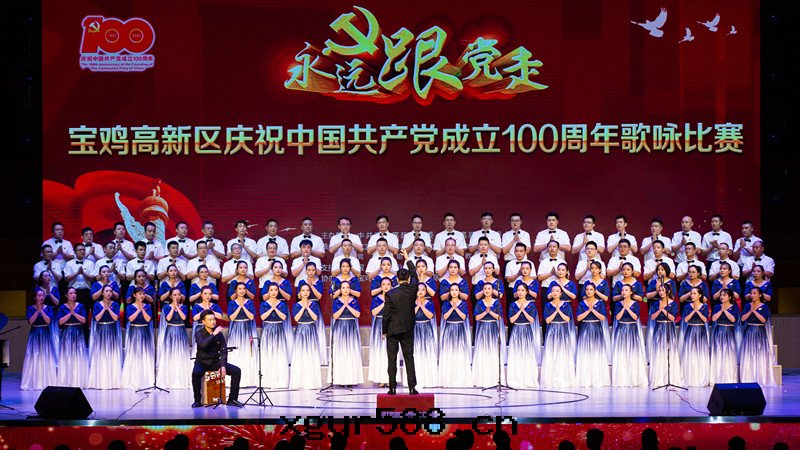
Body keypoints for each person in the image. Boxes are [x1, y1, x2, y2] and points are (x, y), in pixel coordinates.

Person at [191, 309, 243, 408]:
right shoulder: (199, 333)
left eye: (214, 319)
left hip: (215, 362)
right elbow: (203, 345)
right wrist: (213, 334)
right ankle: (197, 400)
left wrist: (223, 366)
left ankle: (232, 399)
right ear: (203, 321)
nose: (213, 322)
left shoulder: (219, 334)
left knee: (236, 371)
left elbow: (223, 351)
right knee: (196, 374)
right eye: (210, 320)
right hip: (202, 362)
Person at [383, 266, 419, 395]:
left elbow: (386, 314)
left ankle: (392, 388)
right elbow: (415, 275)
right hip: (408, 329)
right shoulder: (413, 289)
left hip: (392, 330)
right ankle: (412, 388)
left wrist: (384, 330)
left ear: (397, 280)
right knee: (409, 358)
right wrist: (408, 260)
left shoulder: (390, 293)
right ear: (408, 279)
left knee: (392, 359)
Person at [21, 288, 58, 390]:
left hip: (45, 332)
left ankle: (47, 381)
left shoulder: (48, 308)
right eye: (39, 296)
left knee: (46, 355)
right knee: (34, 355)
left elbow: (48, 321)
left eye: (43, 295)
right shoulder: (30, 308)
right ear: (35, 297)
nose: (41, 297)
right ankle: (34, 381)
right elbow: (31, 322)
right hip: (35, 332)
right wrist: (37, 311)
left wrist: (41, 311)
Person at [647, 284, 683, 387]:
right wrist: (659, 310)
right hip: (658, 327)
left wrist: (663, 310)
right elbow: (652, 317)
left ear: (668, 291)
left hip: (668, 327)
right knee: (658, 351)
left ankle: (670, 377)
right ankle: (659, 378)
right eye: (659, 290)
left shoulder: (674, 304)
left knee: (669, 350)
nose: (661, 292)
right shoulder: (655, 304)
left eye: (663, 290)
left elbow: (672, 318)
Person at [611, 284, 647, 387]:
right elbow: (617, 317)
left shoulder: (635, 304)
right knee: (621, 353)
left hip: (632, 329)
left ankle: (633, 378)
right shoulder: (618, 304)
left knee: (632, 353)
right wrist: (623, 308)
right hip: (621, 328)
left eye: (626, 290)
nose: (623, 292)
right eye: (622, 290)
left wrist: (628, 308)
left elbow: (635, 317)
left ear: (631, 292)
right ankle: (621, 379)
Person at [540, 285, 576, 388]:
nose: (554, 293)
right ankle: (550, 379)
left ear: (560, 293)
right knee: (551, 354)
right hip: (552, 330)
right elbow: (547, 320)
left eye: (557, 291)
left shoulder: (566, 305)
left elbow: (567, 319)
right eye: (553, 291)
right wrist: (555, 311)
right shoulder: (548, 305)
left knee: (562, 354)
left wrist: (559, 311)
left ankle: (563, 378)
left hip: (563, 331)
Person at [87, 285, 123, 389]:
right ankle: (100, 381)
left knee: (112, 353)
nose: (109, 293)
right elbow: (97, 318)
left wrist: (108, 309)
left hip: (111, 329)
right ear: (102, 293)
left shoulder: (115, 304)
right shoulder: (97, 304)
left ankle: (113, 381)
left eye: (110, 291)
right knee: (100, 353)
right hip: (101, 329)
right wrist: (104, 308)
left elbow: (115, 318)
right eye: (106, 291)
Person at [328, 281, 364, 386]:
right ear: (340, 290)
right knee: (340, 353)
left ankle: (351, 379)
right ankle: (340, 380)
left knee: (351, 353)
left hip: (351, 327)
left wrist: (348, 305)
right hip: (340, 327)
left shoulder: (354, 301)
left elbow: (357, 314)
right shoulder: (336, 302)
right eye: (343, 288)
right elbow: (335, 316)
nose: (345, 289)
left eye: (347, 287)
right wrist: (344, 306)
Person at [739, 287, 776, 386]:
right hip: (749, 331)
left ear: (760, 295)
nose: (752, 295)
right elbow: (742, 319)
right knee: (748, 354)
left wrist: (754, 311)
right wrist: (750, 311)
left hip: (760, 332)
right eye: (751, 293)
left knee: (760, 354)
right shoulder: (747, 305)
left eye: (754, 293)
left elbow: (763, 320)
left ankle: (761, 377)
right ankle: (748, 377)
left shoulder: (764, 306)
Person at [575, 283, 611, 387]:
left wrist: (593, 310)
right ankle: (585, 379)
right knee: (585, 353)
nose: (589, 291)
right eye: (587, 289)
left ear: (595, 291)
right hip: (585, 328)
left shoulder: (600, 303)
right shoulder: (581, 303)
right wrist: (588, 311)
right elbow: (578, 318)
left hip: (596, 328)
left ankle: (597, 378)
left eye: (591, 289)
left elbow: (602, 318)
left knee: (597, 352)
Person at [507, 283, 542, 388]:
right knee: (516, 354)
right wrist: (519, 311)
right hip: (516, 330)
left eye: (522, 290)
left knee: (527, 354)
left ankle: (528, 379)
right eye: (518, 290)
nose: (520, 292)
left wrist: (524, 311)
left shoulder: (531, 305)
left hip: (527, 330)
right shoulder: (513, 305)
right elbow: (512, 320)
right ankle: (516, 379)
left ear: (526, 292)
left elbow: (531, 319)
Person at [156, 287, 192, 389]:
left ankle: (181, 380)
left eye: (179, 295)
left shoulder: (184, 307)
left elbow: (184, 318)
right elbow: (168, 318)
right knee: (170, 354)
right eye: (175, 295)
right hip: (170, 331)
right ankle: (169, 380)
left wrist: (177, 307)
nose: (177, 297)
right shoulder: (166, 307)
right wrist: (173, 307)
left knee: (181, 354)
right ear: (171, 296)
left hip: (181, 331)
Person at [472, 283, 506, 387]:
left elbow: (499, 317)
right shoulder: (479, 303)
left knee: (493, 352)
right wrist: (485, 312)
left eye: (489, 289)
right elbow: (477, 317)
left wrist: (490, 312)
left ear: (492, 290)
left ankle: (494, 379)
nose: (487, 290)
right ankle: (481, 379)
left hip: (493, 328)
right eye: (485, 289)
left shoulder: (497, 302)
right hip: (482, 328)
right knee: (482, 352)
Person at [290, 284, 323, 389]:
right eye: (303, 290)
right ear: (300, 292)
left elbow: (315, 318)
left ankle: (311, 382)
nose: (305, 292)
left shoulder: (314, 305)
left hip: (311, 330)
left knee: (311, 354)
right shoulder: (296, 305)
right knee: (300, 355)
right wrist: (303, 307)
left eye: (307, 290)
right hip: (301, 330)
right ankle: (299, 382)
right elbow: (296, 319)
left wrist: (307, 307)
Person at [438, 283, 472, 387]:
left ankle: (461, 379)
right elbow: (445, 317)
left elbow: (463, 317)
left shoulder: (463, 304)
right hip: (449, 329)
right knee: (449, 353)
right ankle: (448, 379)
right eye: (452, 290)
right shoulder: (446, 304)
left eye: (456, 290)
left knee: (460, 354)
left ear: (459, 291)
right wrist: (452, 308)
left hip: (460, 329)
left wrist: (456, 308)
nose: (454, 292)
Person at [259, 284, 292, 389]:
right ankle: (267, 380)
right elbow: (263, 317)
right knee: (267, 353)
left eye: (275, 290)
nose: (273, 292)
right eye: (271, 290)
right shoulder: (264, 304)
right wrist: (271, 308)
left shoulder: (282, 304)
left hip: (279, 329)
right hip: (268, 329)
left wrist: (275, 308)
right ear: (268, 291)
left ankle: (280, 381)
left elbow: (283, 317)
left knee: (279, 354)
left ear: (278, 291)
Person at [121, 287, 154, 389]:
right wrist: (138, 309)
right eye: (140, 293)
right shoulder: (130, 306)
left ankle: (146, 380)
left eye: (143, 293)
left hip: (145, 331)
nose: (142, 296)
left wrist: (142, 309)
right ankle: (134, 380)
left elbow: (148, 319)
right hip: (134, 331)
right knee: (134, 354)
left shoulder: (147, 306)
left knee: (145, 354)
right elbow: (130, 319)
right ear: (134, 295)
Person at [227, 281, 258, 387]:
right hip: (236, 329)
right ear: (236, 290)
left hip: (246, 328)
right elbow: (232, 317)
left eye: (244, 289)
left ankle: (248, 380)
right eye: (239, 289)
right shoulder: (232, 303)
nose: (242, 291)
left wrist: (243, 307)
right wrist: (239, 307)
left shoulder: (249, 303)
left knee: (247, 352)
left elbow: (251, 317)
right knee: (236, 352)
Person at [56, 287, 88, 387]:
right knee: (67, 355)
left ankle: (78, 380)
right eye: (71, 293)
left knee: (78, 355)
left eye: (74, 293)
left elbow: (84, 320)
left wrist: (74, 313)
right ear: (66, 295)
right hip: (67, 332)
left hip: (78, 331)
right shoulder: (62, 307)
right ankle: (67, 380)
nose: (73, 295)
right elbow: (60, 322)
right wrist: (70, 314)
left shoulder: (80, 306)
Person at [679, 287, 711, 387]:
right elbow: (685, 320)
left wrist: (698, 312)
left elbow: (705, 320)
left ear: (700, 295)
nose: (692, 295)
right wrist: (693, 311)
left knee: (701, 353)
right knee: (689, 353)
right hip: (690, 329)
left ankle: (701, 378)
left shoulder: (704, 306)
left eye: (694, 294)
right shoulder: (687, 306)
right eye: (691, 293)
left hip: (701, 330)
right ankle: (689, 378)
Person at [710, 288, 742, 385]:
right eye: (721, 295)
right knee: (718, 353)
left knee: (729, 354)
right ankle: (717, 377)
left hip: (729, 332)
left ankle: (729, 377)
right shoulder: (717, 306)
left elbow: (733, 320)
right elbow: (713, 318)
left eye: (724, 295)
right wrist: (721, 310)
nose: (722, 297)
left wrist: (725, 311)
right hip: (719, 331)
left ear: (730, 297)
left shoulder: (734, 307)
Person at [412, 283, 438, 388]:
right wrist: (417, 306)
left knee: (428, 352)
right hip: (415, 328)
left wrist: (421, 306)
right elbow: (409, 315)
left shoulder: (429, 303)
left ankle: (428, 379)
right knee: (415, 353)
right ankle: (415, 380)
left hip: (427, 328)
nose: (420, 292)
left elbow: (430, 315)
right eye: (418, 289)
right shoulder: (410, 302)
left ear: (426, 291)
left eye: (423, 289)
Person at [368, 278, 393, 386]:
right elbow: (374, 312)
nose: (386, 286)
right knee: (379, 352)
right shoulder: (376, 299)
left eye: (388, 284)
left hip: (391, 325)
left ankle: (391, 378)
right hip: (378, 325)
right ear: (381, 286)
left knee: (390, 352)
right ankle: (381, 378)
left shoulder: (395, 298)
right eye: (383, 284)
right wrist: (384, 303)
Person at [191, 286, 223, 356]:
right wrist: (204, 311)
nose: (207, 296)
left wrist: (210, 311)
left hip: (212, 328)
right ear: (201, 295)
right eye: (205, 294)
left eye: (210, 294)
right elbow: (194, 318)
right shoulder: (196, 306)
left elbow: (220, 316)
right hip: (200, 328)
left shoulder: (215, 306)